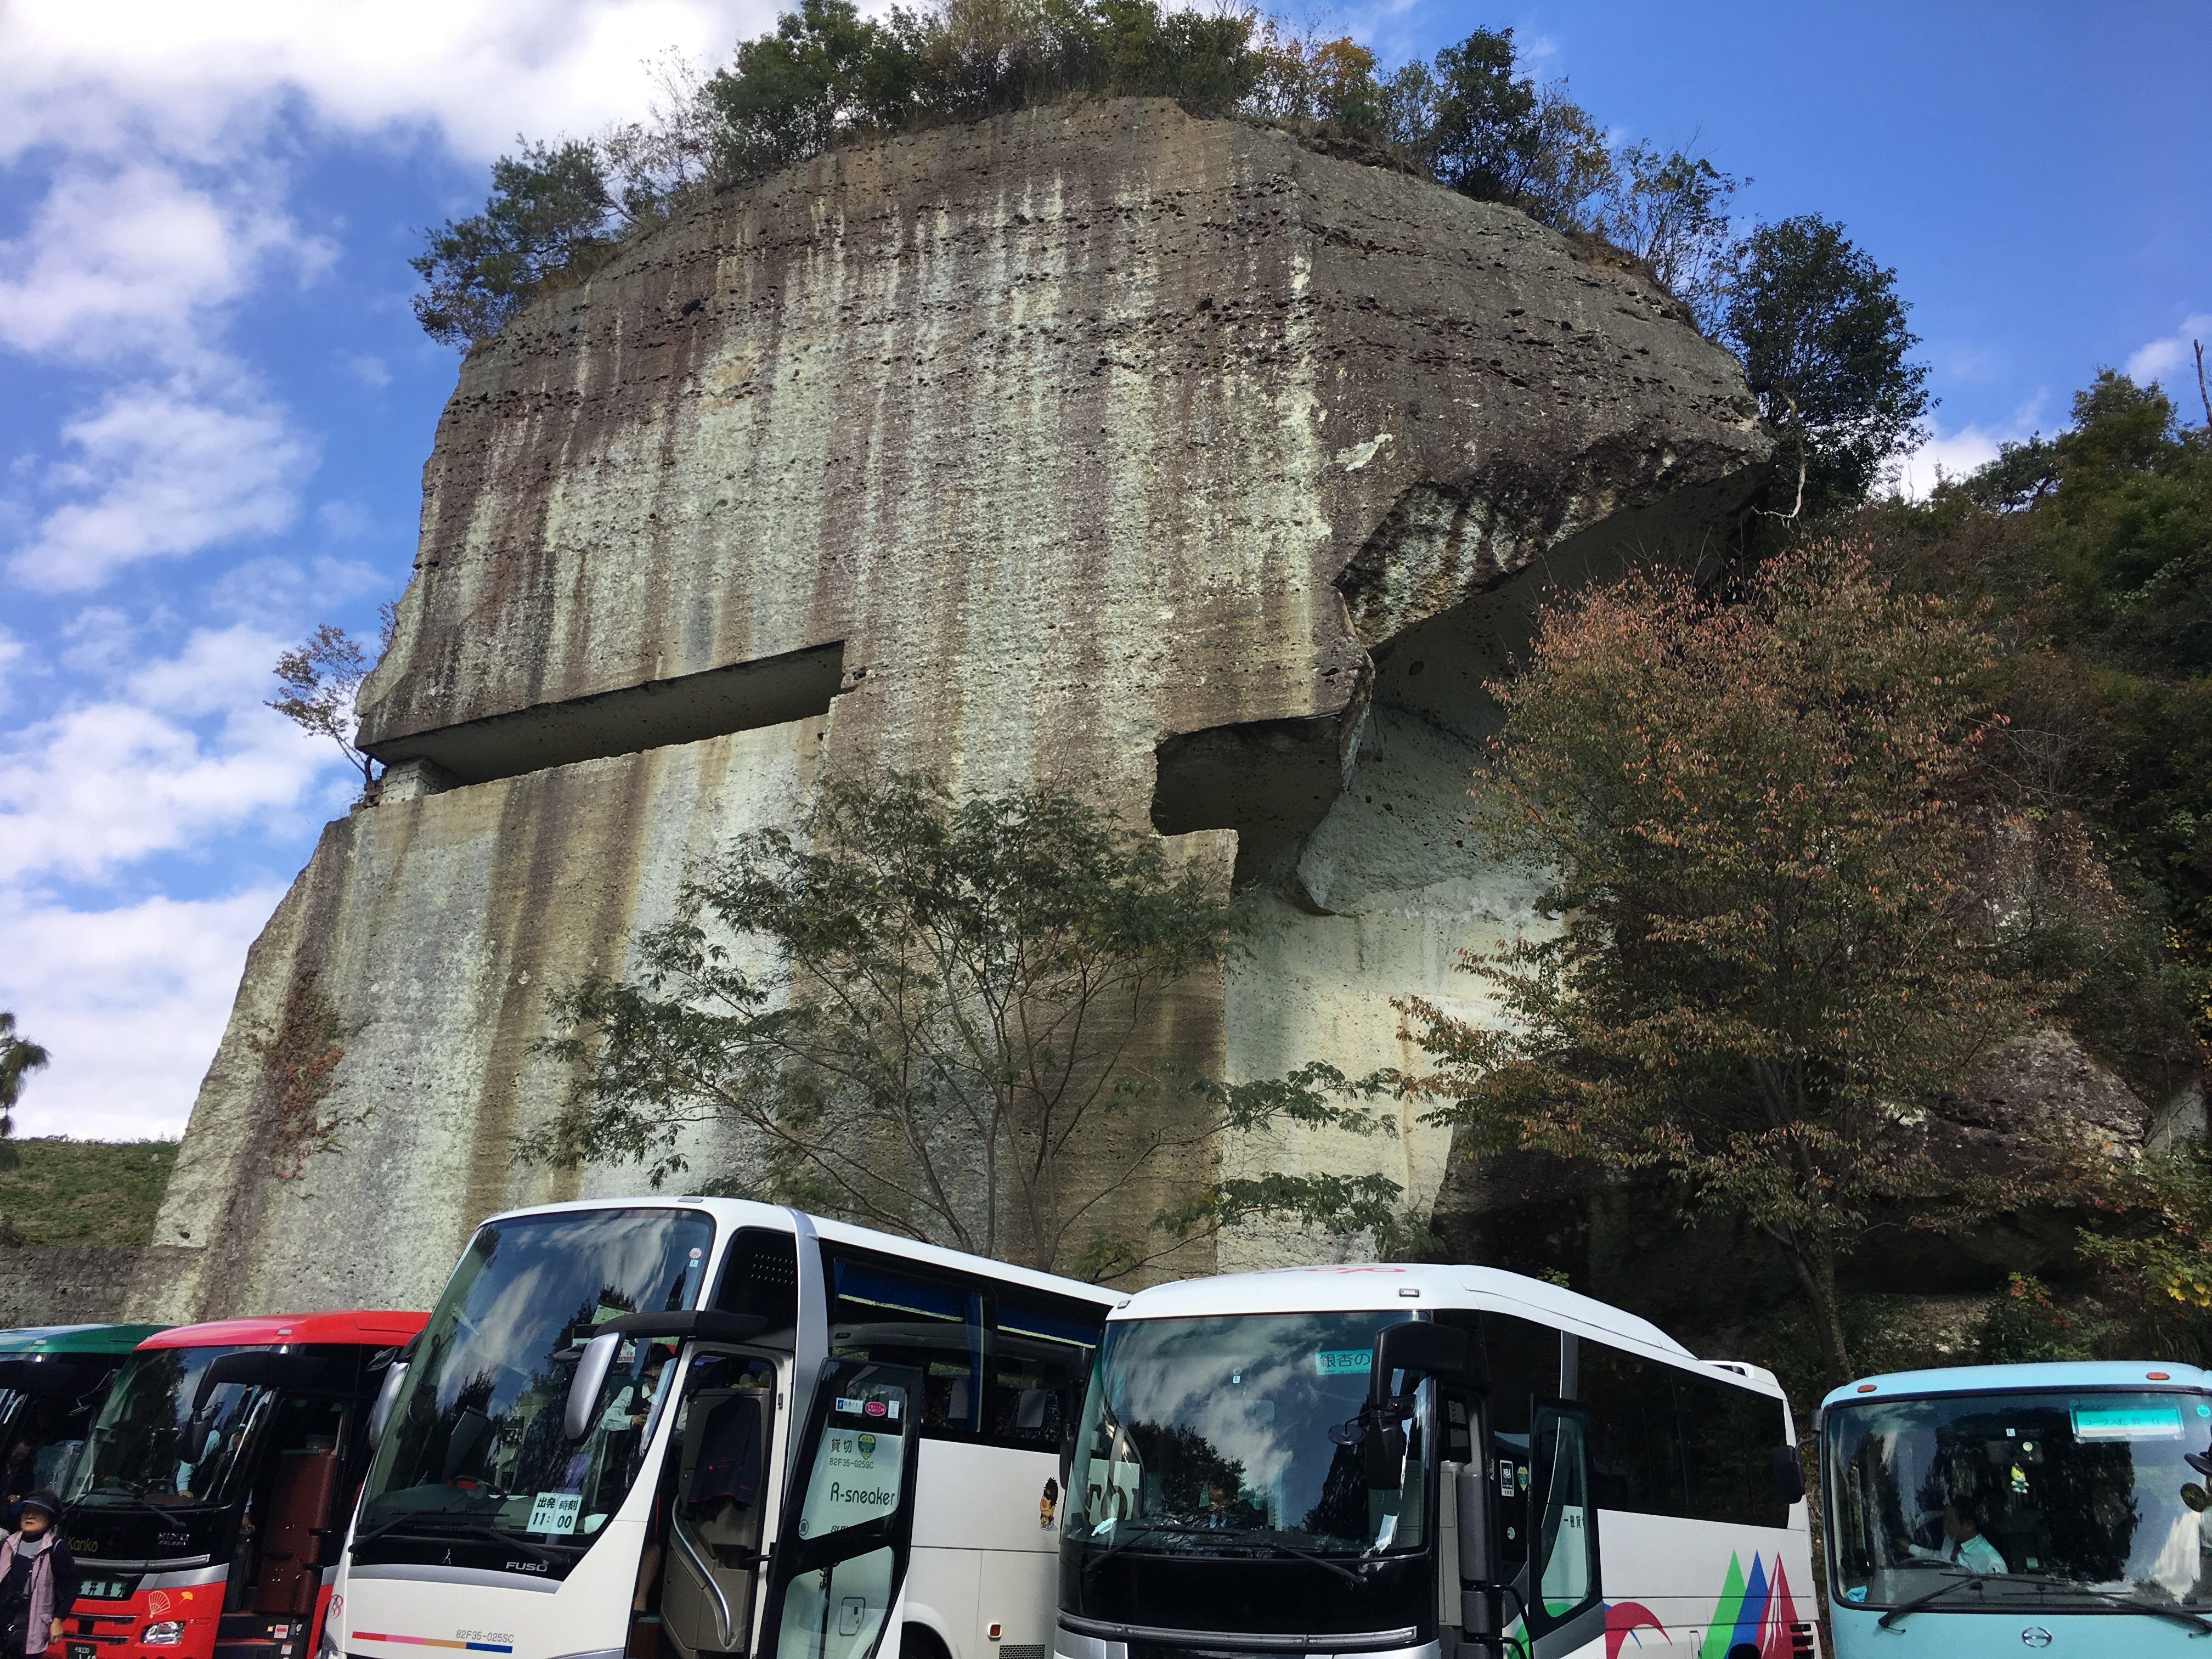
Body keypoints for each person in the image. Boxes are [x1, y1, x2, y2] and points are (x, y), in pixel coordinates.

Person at [0, 1490, 80, 1659]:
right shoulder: (6, 1545)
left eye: (38, 1512)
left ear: (49, 1518)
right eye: (27, 1511)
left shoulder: (57, 1549)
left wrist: (58, 1621)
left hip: (31, 1625)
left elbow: (72, 1587)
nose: (30, 1516)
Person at [1895, 1498, 2006, 1575]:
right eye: (1945, 1520)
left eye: (1951, 1521)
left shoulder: (1992, 1563)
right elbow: (1939, 1559)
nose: (1945, 1525)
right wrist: (1910, 1548)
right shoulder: (1951, 1541)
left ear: (1969, 1525)